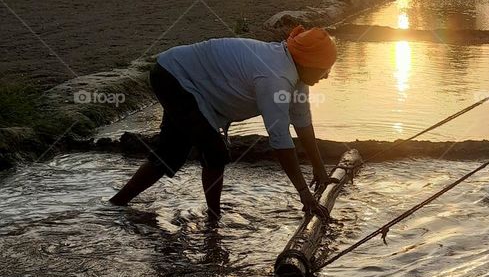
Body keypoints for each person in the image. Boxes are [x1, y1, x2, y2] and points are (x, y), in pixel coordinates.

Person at [110, 25, 337, 219]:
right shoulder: (276, 77)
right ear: (308, 63)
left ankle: (116, 205)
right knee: (214, 152)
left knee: (170, 154)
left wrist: (320, 169)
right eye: (324, 69)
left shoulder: (296, 75)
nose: (326, 75)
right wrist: (304, 193)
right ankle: (214, 219)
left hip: (179, 76)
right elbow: (280, 139)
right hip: (176, 76)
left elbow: (302, 123)